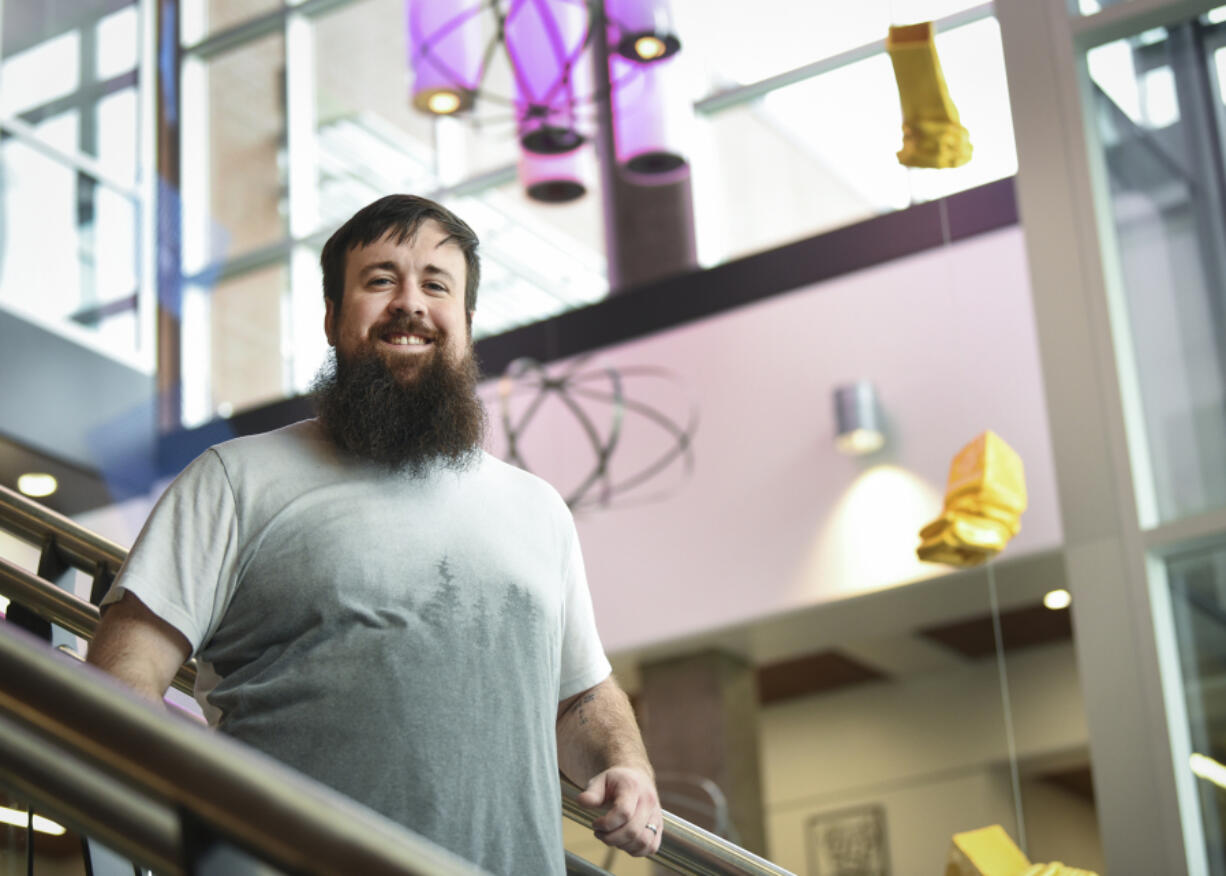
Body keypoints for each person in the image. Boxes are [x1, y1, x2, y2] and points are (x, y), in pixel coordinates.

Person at [87, 194, 663, 874]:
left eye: (435, 284)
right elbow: (123, 680)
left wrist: (625, 764)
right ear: (333, 318)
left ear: (467, 324)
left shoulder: (537, 510)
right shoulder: (234, 480)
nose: (410, 303)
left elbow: (581, 697)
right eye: (381, 280)